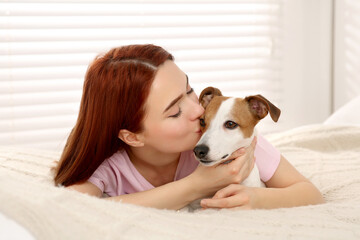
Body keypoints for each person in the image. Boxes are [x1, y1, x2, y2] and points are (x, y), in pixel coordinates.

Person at [53, 44, 324, 210]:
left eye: (189, 90)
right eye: (174, 111)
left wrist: (257, 199)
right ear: (132, 136)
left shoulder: (236, 145)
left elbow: (309, 193)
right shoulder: (109, 165)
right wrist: (195, 185)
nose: (198, 111)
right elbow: (71, 210)